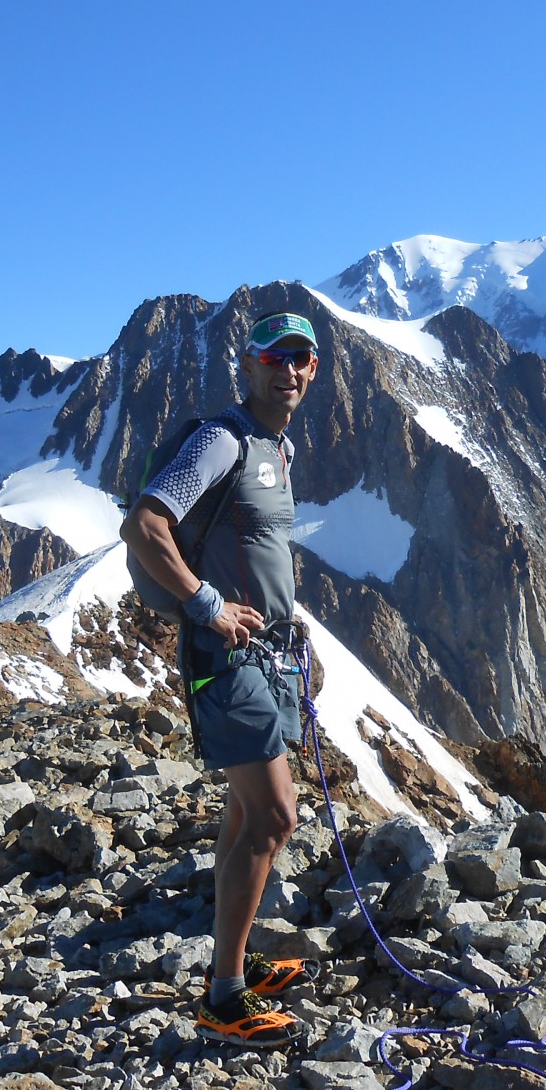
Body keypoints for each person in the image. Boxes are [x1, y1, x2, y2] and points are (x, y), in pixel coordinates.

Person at [120, 310, 322, 1047]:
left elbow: (259, 548)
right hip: (224, 658)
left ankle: (230, 965)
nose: (289, 370)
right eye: (274, 356)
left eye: (302, 359)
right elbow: (144, 524)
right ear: (248, 363)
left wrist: (288, 624)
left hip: (265, 654)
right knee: (274, 817)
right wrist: (205, 603)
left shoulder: (276, 447)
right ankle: (224, 998)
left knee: (244, 817)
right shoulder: (223, 439)